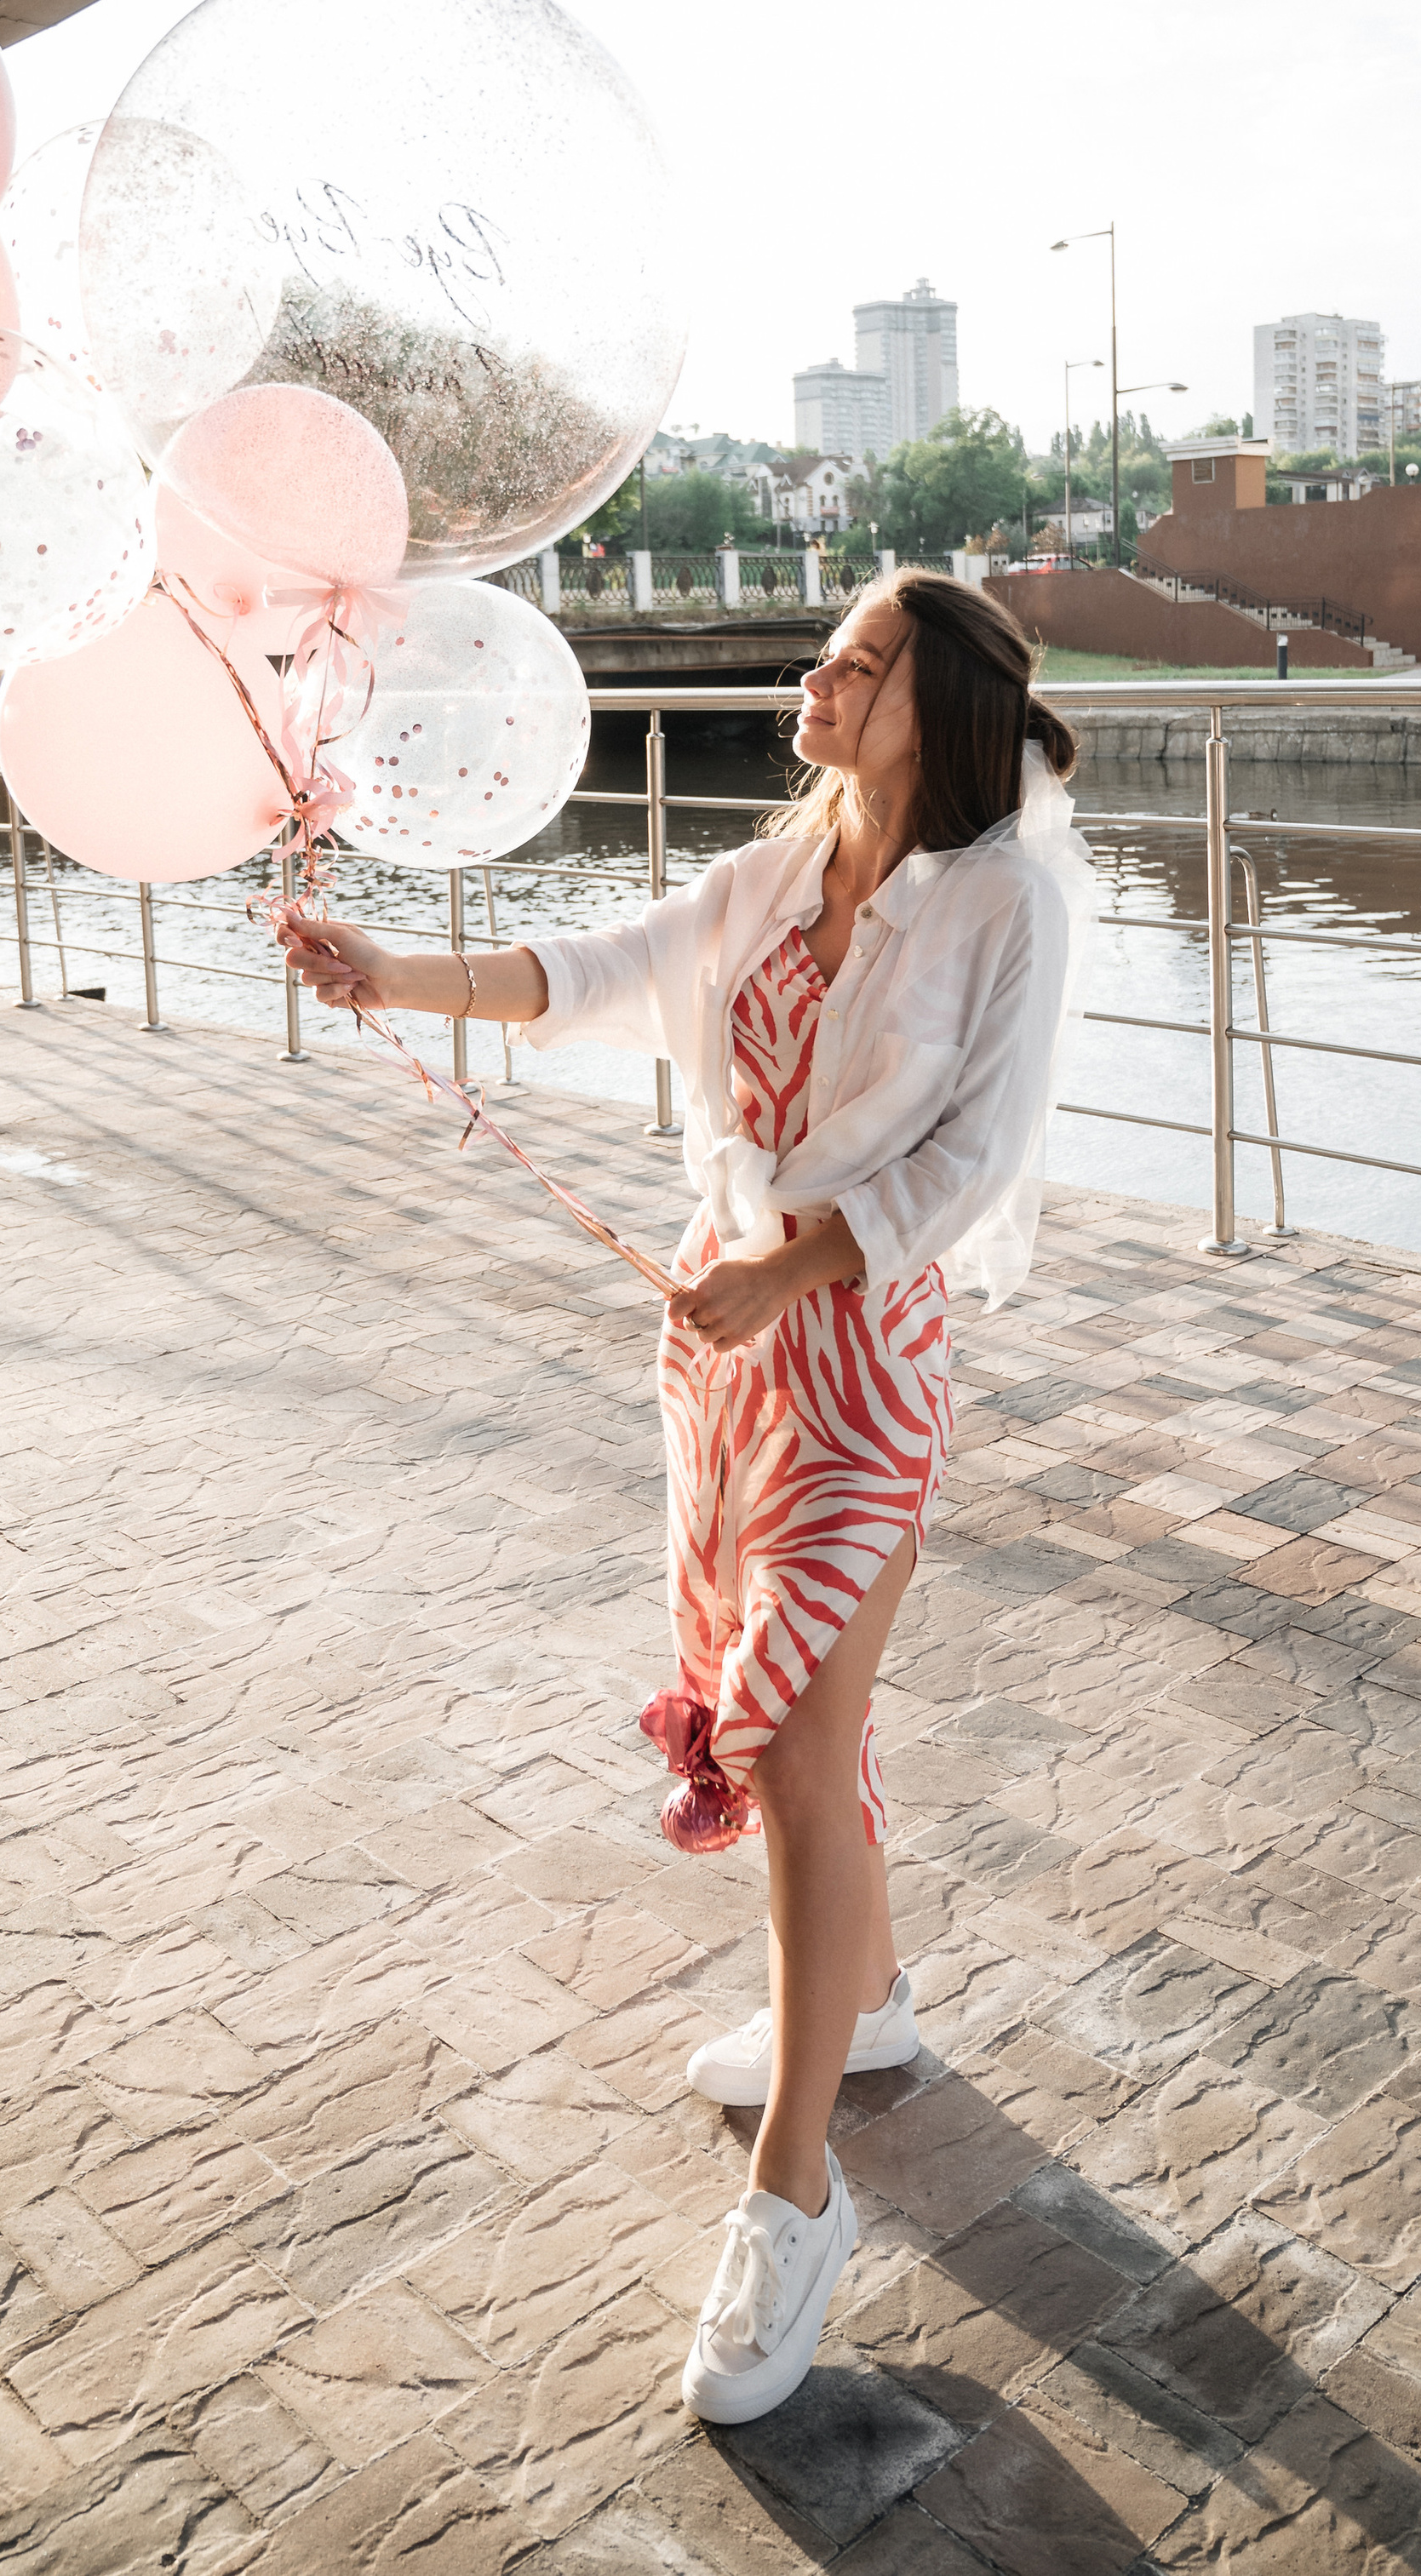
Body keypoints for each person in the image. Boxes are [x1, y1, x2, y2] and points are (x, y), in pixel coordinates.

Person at [282, 570, 1092, 2425]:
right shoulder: (773, 868)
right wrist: (385, 969)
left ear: (938, 705)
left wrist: (796, 1271)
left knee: (795, 1738)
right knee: (794, 1710)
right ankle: (864, 2003)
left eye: (859, 663)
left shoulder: (1003, 903)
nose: (817, 677)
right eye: (827, 652)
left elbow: (978, 1153)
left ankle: (792, 2201)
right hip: (718, 1348)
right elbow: (601, 971)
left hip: (858, 1346)